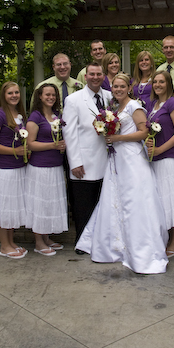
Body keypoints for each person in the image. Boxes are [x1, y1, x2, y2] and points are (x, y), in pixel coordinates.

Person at [76, 73, 168, 274]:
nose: (118, 89)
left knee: (133, 201)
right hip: (116, 159)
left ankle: (140, 250)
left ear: (129, 88)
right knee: (115, 199)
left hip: (132, 158)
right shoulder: (114, 109)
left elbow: (143, 132)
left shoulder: (135, 107)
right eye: (115, 86)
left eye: (121, 86)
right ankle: (115, 246)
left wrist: (117, 138)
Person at [63, 62, 112, 248]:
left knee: (103, 205)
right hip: (84, 163)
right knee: (83, 206)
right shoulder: (73, 100)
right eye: (92, 74)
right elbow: (69, 133)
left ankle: (101, 243)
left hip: (107, 161)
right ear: (85, 77)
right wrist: (75, 162)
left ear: (103, 76)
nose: (95, 77)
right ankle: (82, 244)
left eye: (99, 74)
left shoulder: (110, 97)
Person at [0, 81, 28, 259]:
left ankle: (11, 242)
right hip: (4, 169)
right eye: (10, 93)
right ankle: (4, 246)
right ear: (3, 95)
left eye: (16, 92)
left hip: (19, 169)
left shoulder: (20, 115)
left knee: (12, 207)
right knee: (4, 207)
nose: (14, 96)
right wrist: (14, 151)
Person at [25, 83, 68, 256]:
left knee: (50, 203)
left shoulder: (57, 115)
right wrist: (53, 145)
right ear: (40, 97)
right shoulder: (35, 117)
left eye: (53, 95)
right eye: (47, 95)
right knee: (40, 204)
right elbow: (30, 144)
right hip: (40, 168)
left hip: (55, 166)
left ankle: (47, 237)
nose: (51, 97)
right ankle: (38, 242)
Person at [146, 72, 174, 257]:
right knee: (161, 202)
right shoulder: (153, 105)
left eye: (161, 81)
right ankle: (162, 238)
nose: (157, 85)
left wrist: (160, 149)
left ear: (168, 84)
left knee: (172, 201)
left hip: (169, 159)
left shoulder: (172, 103)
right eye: (155, 82)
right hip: (155, 160)